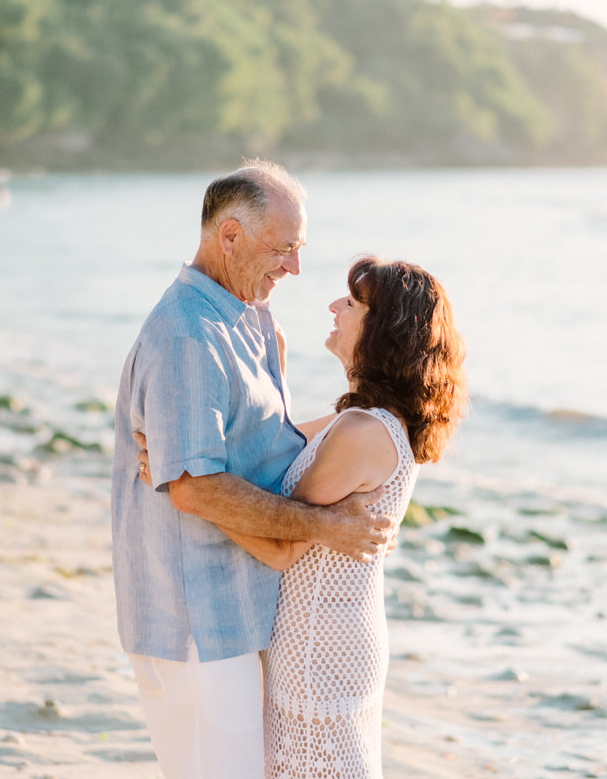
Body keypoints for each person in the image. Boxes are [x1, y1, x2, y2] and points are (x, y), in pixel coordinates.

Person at [110, 160, 394, 779]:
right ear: (230, 235)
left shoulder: (250, 320)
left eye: (299, 249)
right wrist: (324, 527)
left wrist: (383, 417)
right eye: (283, 248)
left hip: (236, 615)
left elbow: (272, 445)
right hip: (194, 624)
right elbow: (195, 486)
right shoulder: (189, 336)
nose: (294, 267)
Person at [140, 256, 466, 777]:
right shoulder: (364, 421)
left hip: (319, 643)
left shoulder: (362, 430)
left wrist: (193, 491)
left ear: (385, 331)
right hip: (329, 633)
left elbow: (283, 544)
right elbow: (279, 447)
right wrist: (273, 371)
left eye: (354, 304)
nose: (336, 307)